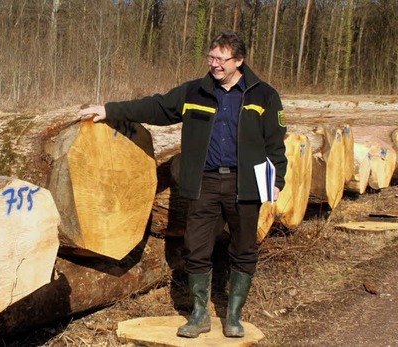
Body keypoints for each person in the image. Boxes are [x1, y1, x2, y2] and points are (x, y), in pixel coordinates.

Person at [79, 31, 287, 338]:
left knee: (243, 249)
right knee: (195, 248)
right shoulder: (195, 92)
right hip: (204, 182)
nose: (214, 64)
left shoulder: (264, 96)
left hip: (246, 185)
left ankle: (234, 316)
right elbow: (157, 107)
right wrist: (110, 109)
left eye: (221, 59)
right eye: (211, 57)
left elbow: (275, 144)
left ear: (239, 61)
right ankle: (200, 314)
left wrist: (277, 180)